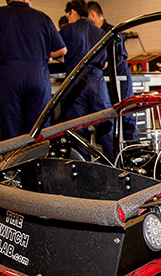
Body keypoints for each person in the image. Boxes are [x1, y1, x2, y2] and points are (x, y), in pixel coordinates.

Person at [0, 0, 67, 140]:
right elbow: (62, 50)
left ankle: (15, 160)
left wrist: (1, 55)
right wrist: (41, 56)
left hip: (9, 75)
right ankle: (36, 160)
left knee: (11, 128)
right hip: (38, 76)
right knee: (38, 129)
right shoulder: (42, 17)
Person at [59, 0, 114, 162]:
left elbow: (55, 52)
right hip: (97, 82)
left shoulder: (67, 30)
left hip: (75, 82)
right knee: (105, 126)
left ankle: (84, 171)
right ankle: (114, 165)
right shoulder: (100, 32)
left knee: (78, 129)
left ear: (73, 12)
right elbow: (105, 62)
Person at [87, 1, 138, 142]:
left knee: (126, 114)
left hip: (120, 77)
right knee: (111, 116)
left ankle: (133, 147)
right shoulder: (94, 34)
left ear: (92, 15)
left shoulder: (112, 31)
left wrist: (105, 65)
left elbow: (120, 57)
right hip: (107, 80)